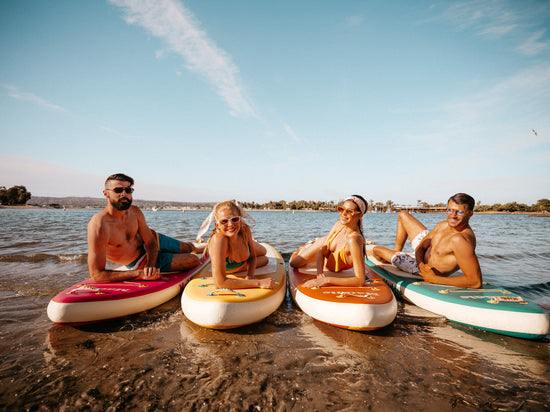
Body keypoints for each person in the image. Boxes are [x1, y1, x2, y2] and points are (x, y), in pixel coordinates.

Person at [87, 173, 203, 282]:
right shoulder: (99, 225)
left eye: (128, 190)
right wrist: (139, 273)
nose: (124, 194)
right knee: (193, 260)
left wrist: (151, 266)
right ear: (106, 193)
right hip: (139, 260)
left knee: (188, 247)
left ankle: (203, 246)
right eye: (118, 190)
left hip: (152, 240)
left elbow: (150, 241)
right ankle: (192, 250)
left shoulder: (134, 211)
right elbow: (96, 275)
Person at [372, 193, 482, 289]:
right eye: (449, 210)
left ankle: (396, 257)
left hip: (419, 268)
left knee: (376, 250)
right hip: (420, 261)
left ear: (470, 213)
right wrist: (420, 263)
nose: (453, 216)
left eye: (459, 212)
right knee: (403, 215)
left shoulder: (461, 240)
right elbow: (420, 247)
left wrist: (434, 279)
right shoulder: (443, 225)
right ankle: (397, 252)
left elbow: (476, 282)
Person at [289, 195, 368, 288]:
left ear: (360, 215)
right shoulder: (338, 224)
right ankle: (314, 244)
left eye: (350, 211)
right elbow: (321, 251)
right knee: (294, 264)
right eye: (342, 209)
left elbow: (360, 280)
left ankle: (318, 245)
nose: (343, 214)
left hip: (333, 262)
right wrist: (319, 274)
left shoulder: (354, 240)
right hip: (324, 248)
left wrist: (326, 280)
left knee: (298, 262)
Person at [199, 200, 275, 290]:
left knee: (265, 254)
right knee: (264, 257)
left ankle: (250, 242)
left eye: (234, 219)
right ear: (217, 225)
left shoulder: (245, 229)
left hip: (242, 250)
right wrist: (258, 283)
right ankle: (205, 248)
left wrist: (250, 275)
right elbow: (219, 284)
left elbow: (252, 257)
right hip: (232, 268)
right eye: (224, 221)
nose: (230, 224)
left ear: (240, 219)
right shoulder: (219, 240)